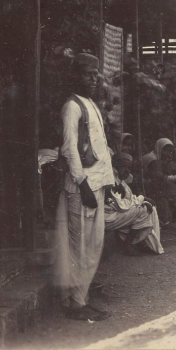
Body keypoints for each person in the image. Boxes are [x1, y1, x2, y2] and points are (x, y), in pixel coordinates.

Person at [53, 53, 116, 321]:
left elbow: (99, 148)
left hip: (97, 183)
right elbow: (70, 150)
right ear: (75, 75)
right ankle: (76, 303)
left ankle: (78, 297)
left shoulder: (90, 104)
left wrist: (107, 182)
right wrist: (84, 185)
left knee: (94, 244)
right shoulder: (72, 106)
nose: (93, 79)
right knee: (79, 246)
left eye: (95, 74)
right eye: (87, 74)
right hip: (82, 187)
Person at [104, 153, 164, 255]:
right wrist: (142, 200)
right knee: (144, 210)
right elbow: (122, 206)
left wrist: (143, 199)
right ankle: (128, 244)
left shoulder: (121, 182)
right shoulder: (112, 182)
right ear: (116, 166)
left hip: (115, 215)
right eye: (124, 167)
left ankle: (146, 243)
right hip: (108, 217)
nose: (127, 170)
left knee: (149, 207)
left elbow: (130, 198)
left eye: (129, 167)